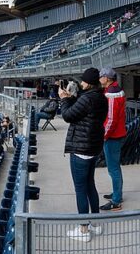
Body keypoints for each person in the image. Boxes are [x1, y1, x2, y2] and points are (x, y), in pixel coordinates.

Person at [60, 68, 107, 242]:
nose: (81, 83)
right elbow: (82, 109)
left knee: (80, 189)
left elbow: (67, 115)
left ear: (88, 82)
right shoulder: (100, 97)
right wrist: (72, 97)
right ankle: (96, 223)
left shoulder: (87, 98)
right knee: (90, 185)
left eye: (83, 81)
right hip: (93, 148)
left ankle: (83, 230)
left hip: (81, 149)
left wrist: (64, 99)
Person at [99, 68, 125, 212]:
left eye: (101, 76)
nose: (99, 79)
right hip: (116, 134)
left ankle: (116, 200)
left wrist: (104, 135)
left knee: (113, 168)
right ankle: (117, 193)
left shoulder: (112, 93)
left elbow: (111, 119)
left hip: (112, 136)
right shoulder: (114, 89)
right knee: (115, 167)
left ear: (107, 78)